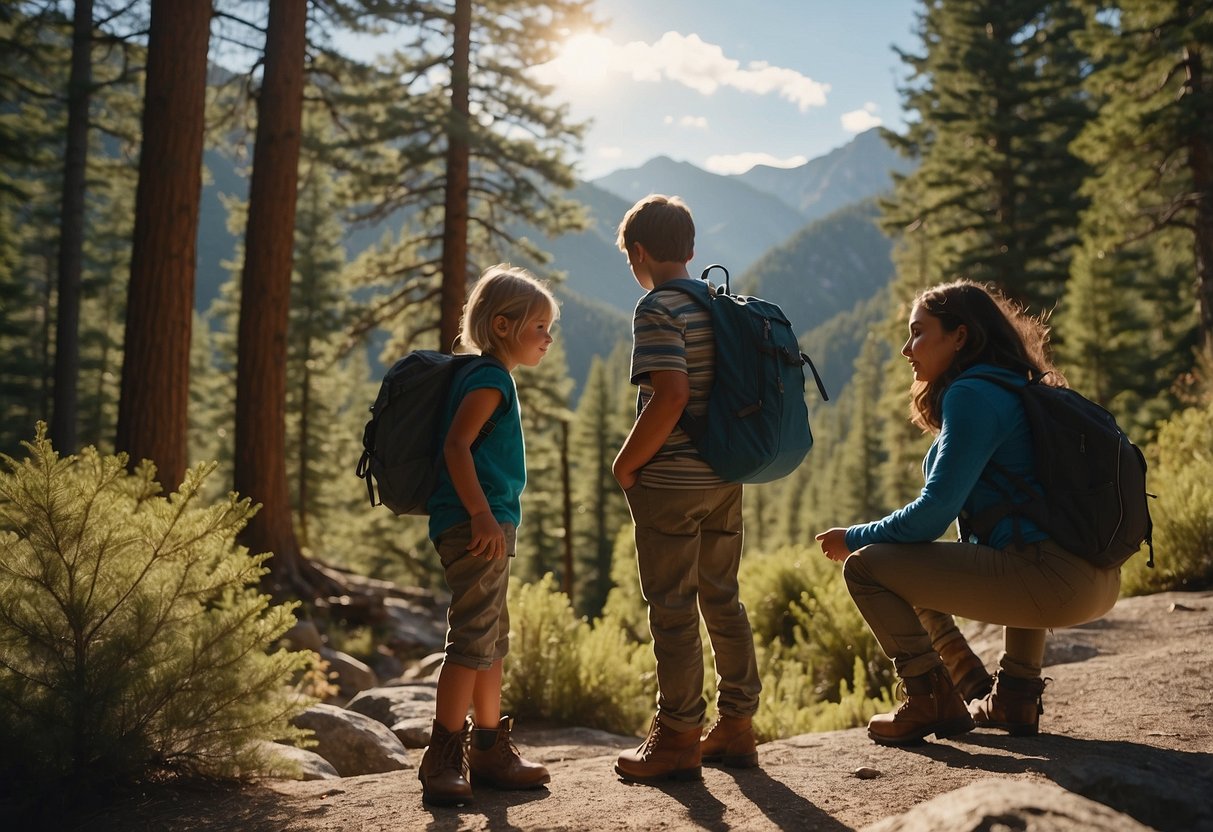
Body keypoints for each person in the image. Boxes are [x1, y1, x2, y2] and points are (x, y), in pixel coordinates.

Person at [815, 279, 1121, 747]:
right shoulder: (1015, 383)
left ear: (960, 336)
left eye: (918, 332)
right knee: (995, 546)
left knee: (869, 567)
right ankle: (1012, 696)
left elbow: (931, 516)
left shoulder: (972, 395)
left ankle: (928, 698)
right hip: (1094, 579)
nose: (906, 348)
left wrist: (852, 538)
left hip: (1054, 581)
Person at [611, 194, 762, 783]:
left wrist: (626, 466)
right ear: (692, 251)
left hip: (672, 482)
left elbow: (670, 395)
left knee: (673, 609)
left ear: (639, 252)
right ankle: (738, 726)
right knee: (722, 598)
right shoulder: (718, 304)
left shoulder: (656, 309)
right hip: (725, 476)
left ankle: (677, 736)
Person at [417, 265, 557, 806]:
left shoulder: (487, 375)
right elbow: (457, 447)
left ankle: (490, 746)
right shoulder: (490, 380)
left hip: (490, 522)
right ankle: (443, 755)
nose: (548, 338)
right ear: (502, 326)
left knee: (492, 638)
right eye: (539, 327)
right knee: (471, 638)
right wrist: (479, 515)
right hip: (476, 523)